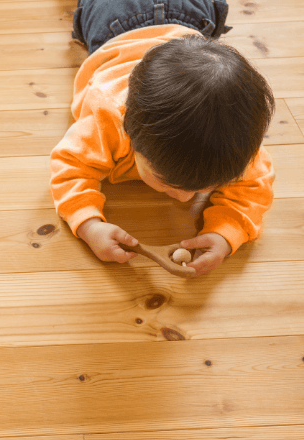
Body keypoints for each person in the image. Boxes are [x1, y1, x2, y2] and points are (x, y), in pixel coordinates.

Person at [50, 0, 276, 276]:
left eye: (203, 187)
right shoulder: (108, 117)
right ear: (129, 134)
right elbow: (70, 166)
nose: (184, 199)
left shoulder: (236, 142)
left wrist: (226, 233)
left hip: (193, 17)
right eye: (164, 181)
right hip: (115, 16)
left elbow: (255, 186)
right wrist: (88, 224)